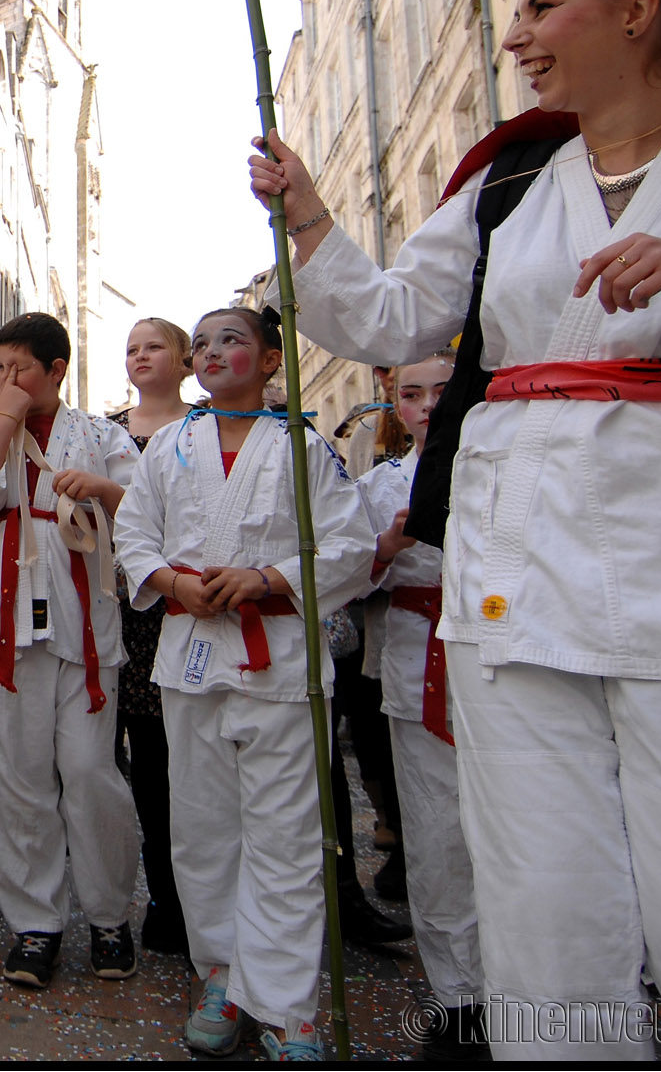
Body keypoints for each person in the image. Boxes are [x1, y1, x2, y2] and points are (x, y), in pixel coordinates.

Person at [247, 0, 661, 1061]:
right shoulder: (506, 183)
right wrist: (313, 220)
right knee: (542, 898)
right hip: (516, 559)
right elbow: (392, 318)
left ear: (635, 13)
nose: (514, 35)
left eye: (541, 6)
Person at [113, 307, 379, 1062]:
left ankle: (290, 999)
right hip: (193, 653)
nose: (211, 351)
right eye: (201, 343)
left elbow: (351, 547)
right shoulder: (168, 447)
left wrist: (269, 577)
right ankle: (222, 974)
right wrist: (170, 579)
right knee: (201, 828)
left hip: (279, 654)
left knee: (286, 832)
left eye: (230, 338)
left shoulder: (303, 446)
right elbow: (133, 535)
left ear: (270, 360)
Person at [0, 312, 141, 991]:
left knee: (89, 772)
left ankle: (110, 914)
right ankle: (36, 922)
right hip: (6, 628)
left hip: (86, 629)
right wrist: (6, 412)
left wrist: (102, 491)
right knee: (17, 777)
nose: (5, 379)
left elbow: (143, 511)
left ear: (56, 370)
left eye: (19, 368)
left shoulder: (103, 435)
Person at [354, 351, 487, 1061]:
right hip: (416, 658)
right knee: (437, 836)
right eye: (412, 392)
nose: (430, 403)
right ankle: (458, 1000)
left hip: (504, 657)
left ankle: (538, 986)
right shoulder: (379, 484)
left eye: (444, 388)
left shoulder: (508, 462)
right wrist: (387, 544)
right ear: (393, 400)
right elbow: (348, 574)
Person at [109, 317, 196, 958]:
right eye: (132, 348)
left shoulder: (208, 425)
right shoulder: (107, 431)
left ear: (185, 360)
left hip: (195, 609)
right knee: (151, 765)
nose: (140, 357)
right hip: (130, 618)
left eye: (154, 346)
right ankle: (166, 896)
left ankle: (209, 894)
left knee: (200, 762)